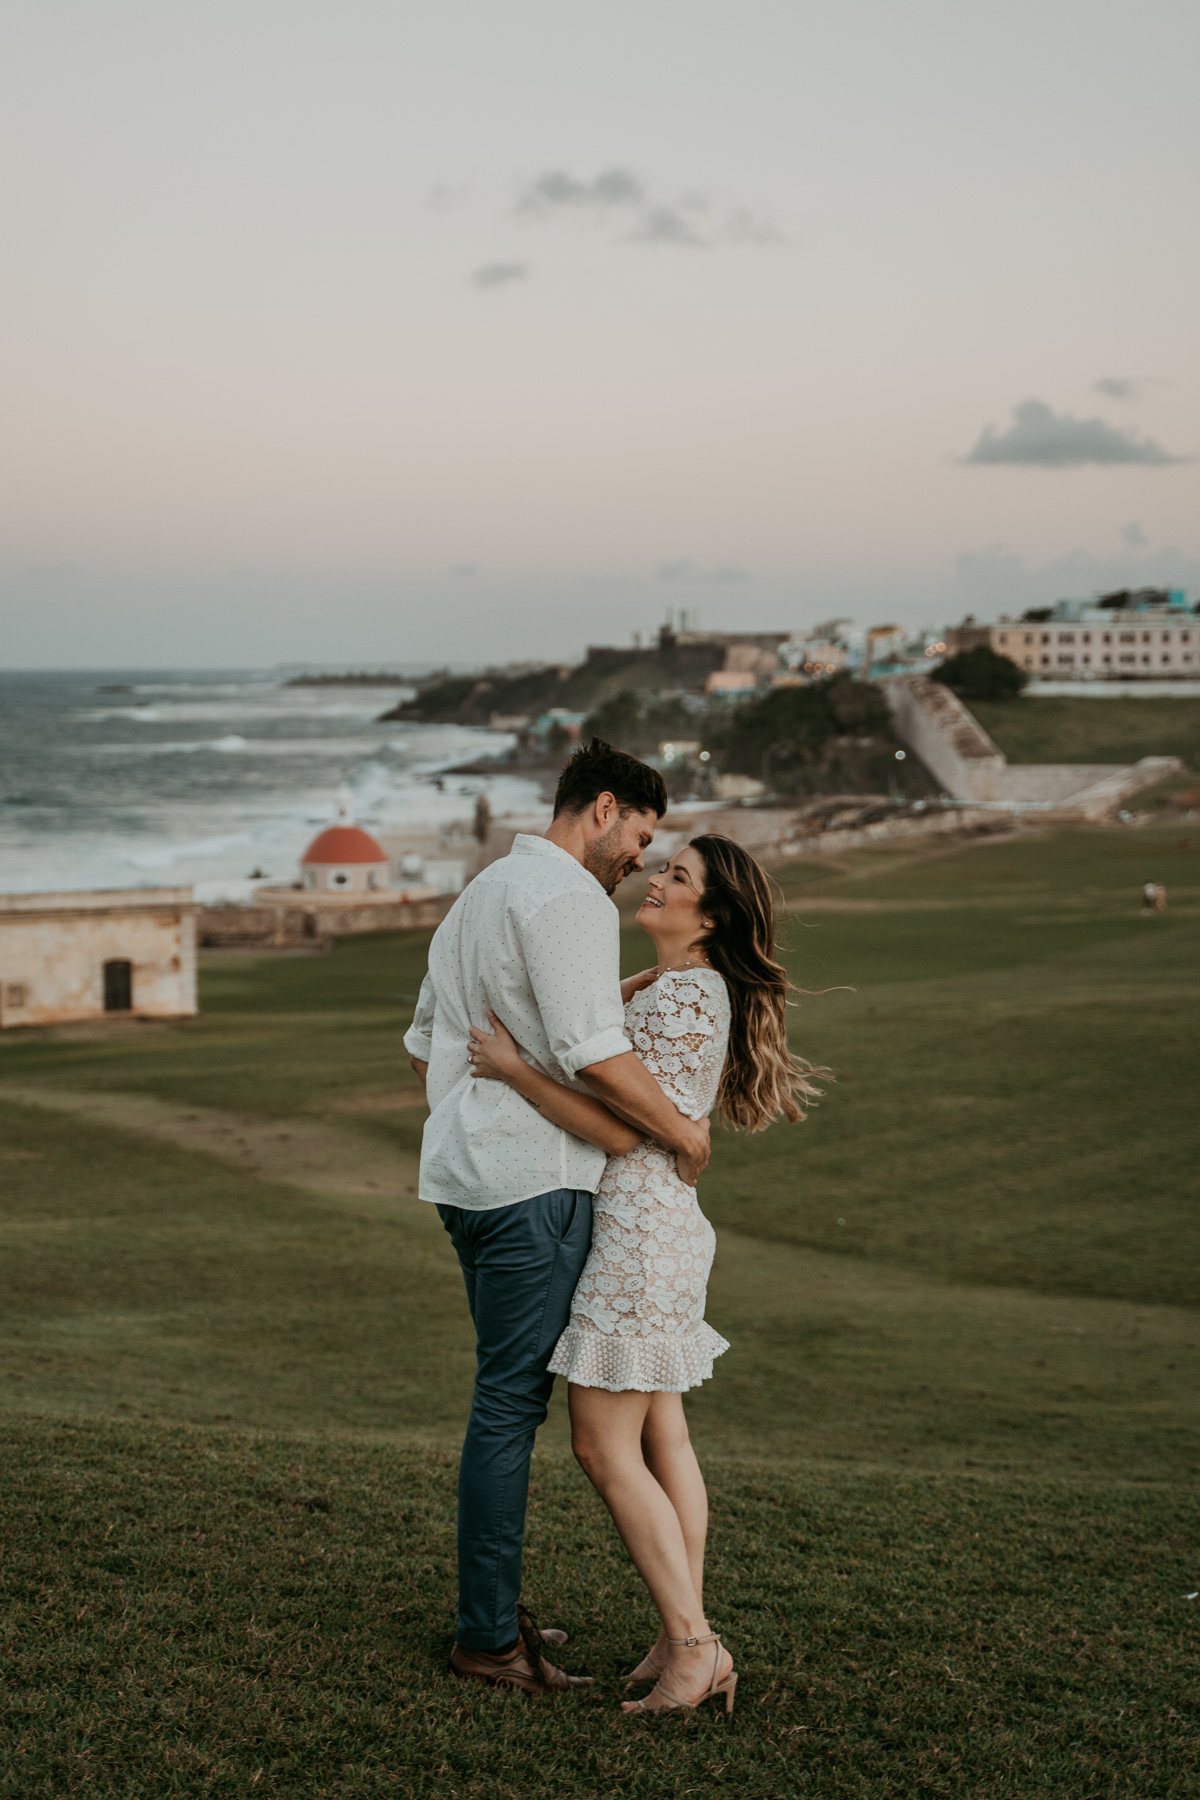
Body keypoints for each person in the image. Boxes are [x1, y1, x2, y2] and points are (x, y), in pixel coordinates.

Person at [467, 833, 824, 1715]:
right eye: (661, 866)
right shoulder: (683, 988)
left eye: (679, 878)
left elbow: (623, 1128)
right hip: (657, 1230)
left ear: (710, 917)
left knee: (602, 1444)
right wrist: (630, 992)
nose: (655, 880)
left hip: (636, 1237)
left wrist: (512, 1069)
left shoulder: (685, 999)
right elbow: (632, 1060)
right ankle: (679, 1633)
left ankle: (696, 1645)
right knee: (664, 1436)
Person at [403, 739, 711, 1695]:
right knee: (507, 1405)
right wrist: (682, 1137)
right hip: (535, 1184)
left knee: (506, 1397)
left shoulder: (481, 892)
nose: (639, 861)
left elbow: (425, 1049)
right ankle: (488, 1641)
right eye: (642, 837)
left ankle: (493, 1615)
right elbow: (595, 1055)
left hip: (464, 1179)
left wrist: (487, 1105)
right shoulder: (571, 900)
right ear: (604, 807)